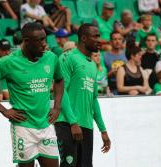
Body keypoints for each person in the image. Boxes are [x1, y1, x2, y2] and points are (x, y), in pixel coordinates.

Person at [0, 23, 63, 167]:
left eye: (45, 39)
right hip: (23, 127)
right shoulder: (8, 62)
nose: (44, 44)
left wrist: (57, 107)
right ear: (26, 41)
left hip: (46, 125)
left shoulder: (51, 58)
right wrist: (4, 110)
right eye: (39, 41)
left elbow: (59, 80)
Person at [55, 23, 111, 167]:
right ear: (84, 38)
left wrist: (103, 130)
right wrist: (73, 123)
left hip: (86, 126)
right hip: (67, 124)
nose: (100, 40)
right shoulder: (67, 57)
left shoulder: (92, 65)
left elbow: (93, 100)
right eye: (96, 36)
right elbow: (61, 92)